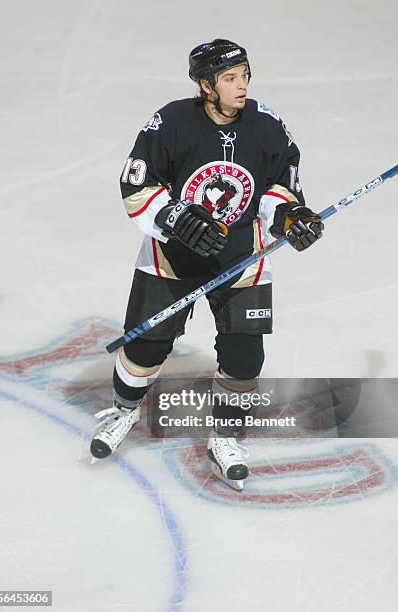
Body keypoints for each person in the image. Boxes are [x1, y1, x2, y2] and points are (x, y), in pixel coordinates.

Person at [90, 39, 324, 490]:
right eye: (230, 79)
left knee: (244, 358)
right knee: (144, 349)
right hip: (171, 259)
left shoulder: (267, 124)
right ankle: (123, 412)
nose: (242, 86)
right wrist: (175, 217)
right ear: (205, 85)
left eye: (245, 76)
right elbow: (136, 186)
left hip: (243, 259)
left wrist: (290, 216)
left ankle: (226, 435)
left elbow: (278, 188)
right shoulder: (172, 122)